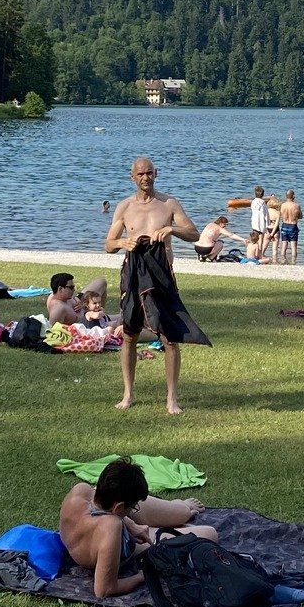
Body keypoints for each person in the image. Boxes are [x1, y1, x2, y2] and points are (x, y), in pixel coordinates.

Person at [104, 156, 207, 414]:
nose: (145, 178)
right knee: (129, 334)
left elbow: (195, 234)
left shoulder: (168, 204)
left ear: (156, 174)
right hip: (134, 275)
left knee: (170, 337)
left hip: (162, 277)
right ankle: (127, 394)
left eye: (149, 173)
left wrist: (171, 230)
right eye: (140, 174)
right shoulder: (124, 207)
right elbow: (108, 245)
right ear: (132, 177)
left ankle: (172, 398)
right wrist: (122, 243)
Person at [59, 459, 231, 601]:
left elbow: (105, 510)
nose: (134, 509)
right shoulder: (110, 528)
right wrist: (142, 576)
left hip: (113, 519)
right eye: (132, 507)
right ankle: (179, 516)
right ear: (119, 508)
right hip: (124, 540)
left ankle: (181, 509)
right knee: (210, 534)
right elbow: (103, 590)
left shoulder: (80, 491)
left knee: (180, 513)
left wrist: (131, 524)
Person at [275, 190, 302, 265]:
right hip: (293, 226)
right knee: (293, 246)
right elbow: (301, 216)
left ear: (286, 196)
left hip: (284, 225)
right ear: (293, 196)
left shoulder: (283, 205)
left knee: (284, 245)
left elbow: (280, 215)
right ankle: (293, 261)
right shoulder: (296, 205)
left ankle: (282, 260)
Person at [246, 185, 272, 262]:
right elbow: (266, 214)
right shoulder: (263, 203)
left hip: (254, 222)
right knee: (260, 239)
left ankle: (252, 252)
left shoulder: (253, 202)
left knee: (254, 238)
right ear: (263, 194)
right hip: (261, 223)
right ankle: (259, 254)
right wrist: (268, 224)